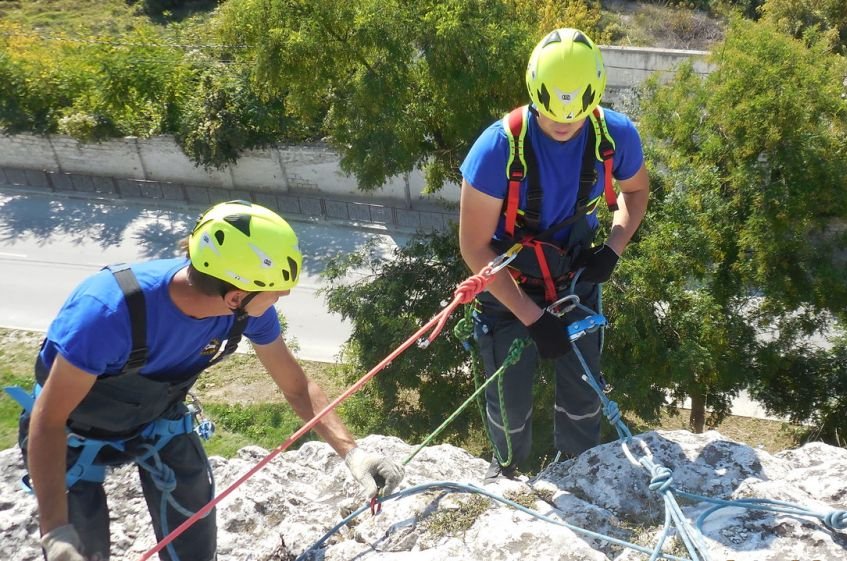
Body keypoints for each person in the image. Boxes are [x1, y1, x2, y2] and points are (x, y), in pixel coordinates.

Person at [10, 201, 405, 561]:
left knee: (194, 545)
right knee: (80, 552)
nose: (279, 300)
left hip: (155, 424)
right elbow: (49, 419)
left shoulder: (247, 312)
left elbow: (296, 386)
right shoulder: (108, 313)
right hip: (70, 437)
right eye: (274, 293)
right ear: (234, 295)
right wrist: (55, 532)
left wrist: (353, 453)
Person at [458, 28, 650, 480]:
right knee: (510, 400)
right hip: (509, 287)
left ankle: (580, 474)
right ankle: (509, 475)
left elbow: (637, 191)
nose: (562, 124)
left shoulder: (614, 136)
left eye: (576, 116)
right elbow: (474, 246)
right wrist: (531, 316)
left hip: (575, 275)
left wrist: (614, 248)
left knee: (584, 395)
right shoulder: (497, 148)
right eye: (550, 113)